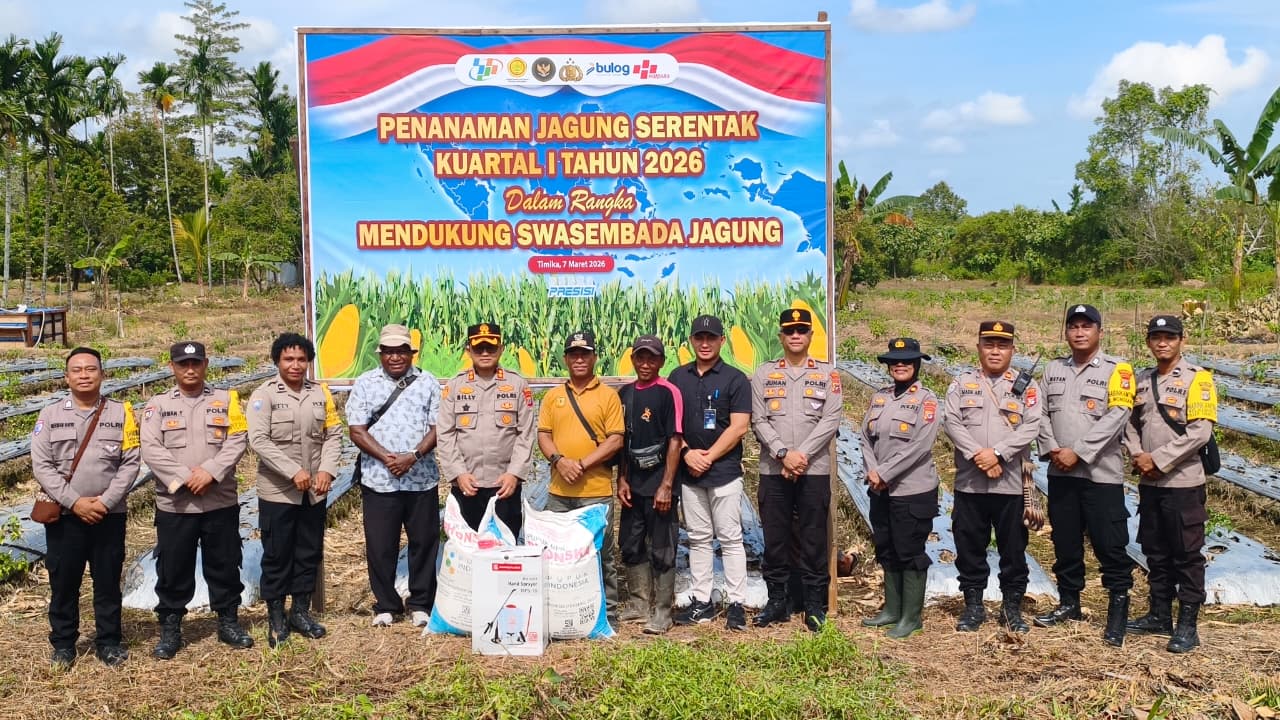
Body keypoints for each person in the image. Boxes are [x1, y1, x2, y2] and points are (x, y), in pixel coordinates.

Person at [141, 341, 252, 659]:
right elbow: (150, 447)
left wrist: (211, 472)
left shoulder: (226, 400)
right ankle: (171, 627)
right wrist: (184, 477)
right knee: (173, 567)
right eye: (183, 364)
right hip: (176, 504)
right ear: (172, 367)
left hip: (218, 500)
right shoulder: (158, 405)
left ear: (206, 365)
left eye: (196, 363)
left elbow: (238, 438)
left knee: (225, 564)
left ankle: (228, 622)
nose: (190, 369)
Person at [1033, 304, 1136, 647]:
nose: (1079, 332)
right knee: (1065, 543)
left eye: (1086, 327)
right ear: (1066, 332)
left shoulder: (1117, 370)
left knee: (1110, 544)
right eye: (1073, 326)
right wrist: (1051, 449)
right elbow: (1041, 413)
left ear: (1099, 332)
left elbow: (1117, 415)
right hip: (1061, 474)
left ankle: (1117, 613)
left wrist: (1078, 451)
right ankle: (1069, 603)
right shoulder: (1053, 369)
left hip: (1099, 475)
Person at [31, 347, 140, 667]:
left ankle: (108, 641)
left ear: (102, 375)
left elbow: (131, 463)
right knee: (64, 581)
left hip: (109, 515)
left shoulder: (123, 413)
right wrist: (75, 502)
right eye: (76, 370)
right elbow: (42, 465)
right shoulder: (49, 415)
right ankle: (64, 644)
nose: (84, 375)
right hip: (66, 517)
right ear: (66, 377)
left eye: (90, 369)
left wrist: (105, 502)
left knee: (107, 580)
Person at [1122, 315, 1217, 654]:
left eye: (1169, 337)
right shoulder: (1142, 380)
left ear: (1181, 340)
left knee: (1186, 554)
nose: (1163, 343)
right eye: (1156, 337)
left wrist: (1158, 460)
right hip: (1150, 483)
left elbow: (1199, 432)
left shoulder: (1198, 380)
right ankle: (1159, 614)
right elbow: (1130, 424)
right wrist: (1138, 455)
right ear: (1148, 341)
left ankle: (1187, 625)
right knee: (1155, 550)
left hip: (1183, 482)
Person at [246, 333, 344, 648]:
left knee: (308, 551)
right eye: (289, 359)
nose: (296, 365)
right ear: (277, 361)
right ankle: (276, 616)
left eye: (301, 359)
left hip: (314, 490)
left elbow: (333, 433)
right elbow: (259, 440)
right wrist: (293, 472)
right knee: (277, 553)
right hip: (279, 491)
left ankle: (300, 611)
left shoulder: (320, 394)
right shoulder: (264, 396)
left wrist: (327, 469)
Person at [943, 321, 1041, 633]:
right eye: (989, 344)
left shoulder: (1028, 386)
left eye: (1002, 345)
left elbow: (1032, 425)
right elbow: (952, 422)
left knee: (1014, 548)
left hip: (1010, 482)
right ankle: (974, 606)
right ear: (979, 347)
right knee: (969, 544)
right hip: (970, 482)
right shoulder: (962, 383)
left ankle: (1011, 607)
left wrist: (997, 453)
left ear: (1012, 350)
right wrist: (979, 456)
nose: (995, 351)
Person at [750, 308, 843, 631]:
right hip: (774, 469)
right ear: (781, 336)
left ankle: (814, 604)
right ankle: (777, 600)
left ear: (810, 336)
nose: (795, 336)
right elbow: (758, 419)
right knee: (775, 538)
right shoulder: (764, 374)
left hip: (813, 469)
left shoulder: (827, 374)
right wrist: (782, 453)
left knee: (814, 537)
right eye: (789, 331)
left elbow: (831, 419)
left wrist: (800, 455)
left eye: (801, 330)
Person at [347, 324, 441, 628]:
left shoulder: (427, 382)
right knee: (380, 544)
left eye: (402, 351)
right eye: (389, 351)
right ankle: (386, 605)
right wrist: (387, 458)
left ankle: (421, 603)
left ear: (411, 353)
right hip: (379, 479)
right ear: (381, 354)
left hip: (421, 478)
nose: (396, 357)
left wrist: (412, 457)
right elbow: (356, 429)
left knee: (424, 542)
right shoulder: (365, 383)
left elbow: (437, 427)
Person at [668, 314, 752, 631]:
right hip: (690, 473)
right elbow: (672, 424)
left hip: (725, 471)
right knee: (700, 539)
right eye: (699, 337)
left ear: (721, 341)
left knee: (731, 539)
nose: (705, 343)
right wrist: (688, 453)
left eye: (711, 338)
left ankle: (736, 604)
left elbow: (740, 426)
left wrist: (710, 456)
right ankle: (701, 601)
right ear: (692, 340)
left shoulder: (735, 379)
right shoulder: (678, 377)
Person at [536, 330, 625, 619]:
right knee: (559, 554)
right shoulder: (553, 396)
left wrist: (582, 464)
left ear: (594, 358)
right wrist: (559, 461)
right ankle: (562, 608)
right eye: (573, 354)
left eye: (584, 354)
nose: (579, 359)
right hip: (559, 493)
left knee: (601, 553)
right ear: (565, 358)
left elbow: (615, 440)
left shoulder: (608, 396)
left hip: (595, 491)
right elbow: (544, 435)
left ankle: (607, 611)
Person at [858, 337, 940, 639]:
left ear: (917, 364)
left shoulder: (926, 400)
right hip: (880, 488)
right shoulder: (880, 397)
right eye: (895, 361)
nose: (900, 365)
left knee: (909, 550)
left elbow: (921, 446)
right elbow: (865, 437)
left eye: (907, 360)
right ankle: (891, 610)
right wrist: (873, 471)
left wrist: (885, 472)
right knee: (887, 547)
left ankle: (911, 617)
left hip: (912, 490)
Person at [436, 322, 535, 538]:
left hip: (504, 485)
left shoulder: (518, 384)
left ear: (501, 349)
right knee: (468, 552)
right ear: (468, 350)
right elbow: (445, 434)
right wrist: (458, 473)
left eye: (490, 347)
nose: (484, 352)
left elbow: (525, 434)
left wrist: (514, 474)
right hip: (467, 484)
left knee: (504, 550)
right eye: (478, 347)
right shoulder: (455, 386)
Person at [616, 335, 683, 634]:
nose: (645, 364)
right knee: (630, 543)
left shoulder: (669, 392)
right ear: (632, 359)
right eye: (640, 358)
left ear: (661, 362)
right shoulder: (625, 394)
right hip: (633, 483)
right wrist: (621, 478)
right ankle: (639, 603)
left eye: (652, 358)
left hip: (659, 483)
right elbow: (622, 442)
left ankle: (663, 611)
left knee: (663, 548)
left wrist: (666, 484)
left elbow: (675, 439)